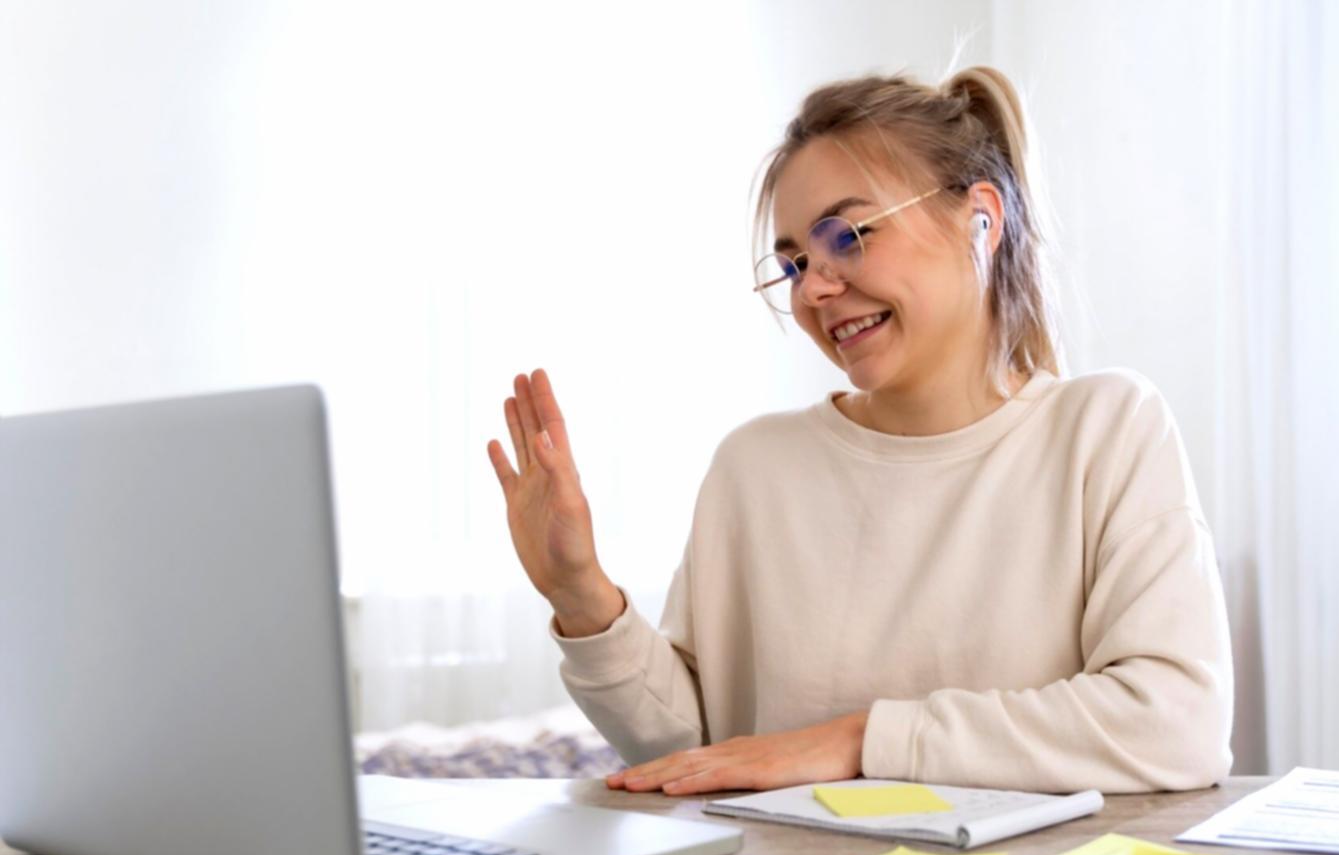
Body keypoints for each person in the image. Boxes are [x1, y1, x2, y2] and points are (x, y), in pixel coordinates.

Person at [485, 66, 1233, 797]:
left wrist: (857, 741)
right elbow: (698, 754)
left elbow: (1176, 726)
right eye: (793, 261)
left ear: (981, 218)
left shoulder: (1105, 431)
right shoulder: (756, 468)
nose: (814, 287)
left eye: (847, 235)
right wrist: (581, 593)